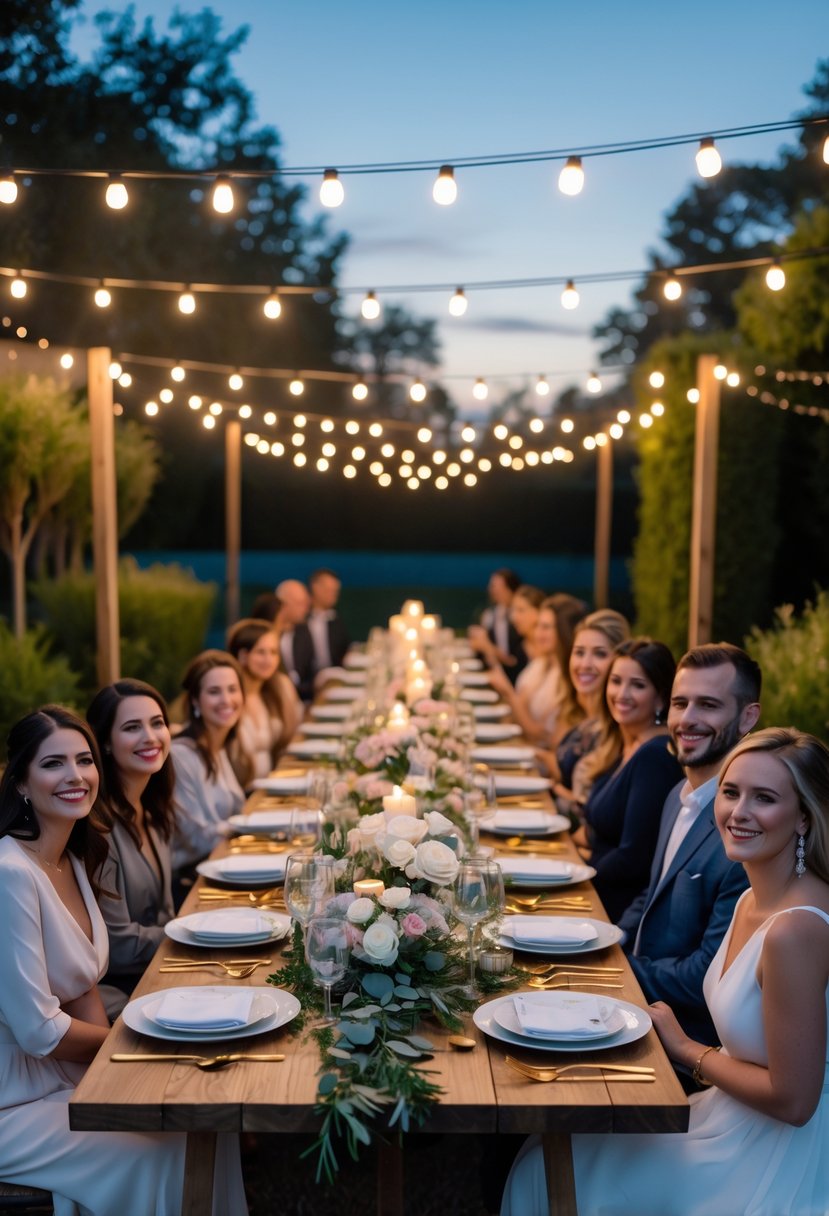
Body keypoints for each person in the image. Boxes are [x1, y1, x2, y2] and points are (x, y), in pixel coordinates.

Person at [501, 727, 829, 1216]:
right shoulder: (748, 899)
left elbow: (794, 1101)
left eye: (764, 799)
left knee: (550, 1168)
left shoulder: (794, 931)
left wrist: (686, 1050)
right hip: (729, 1112)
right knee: (546, 1149)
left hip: (774, 1152)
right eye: (731, 792)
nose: (738, 812)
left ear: (803, 817)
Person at [0, 706, 248, 1214]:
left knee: (204, 1118)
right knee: (158, 1152)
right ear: (22, 783)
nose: (75, 776)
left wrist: (116, 1080)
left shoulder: (72, 857)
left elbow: (85, 982)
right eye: (53, 764)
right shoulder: (10, 873)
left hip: (66, 1077)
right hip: (14, 1099)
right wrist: (137, 1046)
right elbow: (38, 1033)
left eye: (84, 760)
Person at [618, 643, 761, 1046]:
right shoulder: (678, 794)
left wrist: (617, 969)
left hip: (685, 1039)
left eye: (709, 705)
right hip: (635, 1005)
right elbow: (654, 889)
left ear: (748, 716)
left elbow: (707, 974)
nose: (688, 719)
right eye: (681, 703)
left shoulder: (744, 831)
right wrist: (608, 937)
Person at [86, 679, 176, 1019]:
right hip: (126, 993)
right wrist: (192, 932)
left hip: (162, 971)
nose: (150, 737)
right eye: (132, 727)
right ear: (105, 743)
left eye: (157, 723)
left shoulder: (153, 811)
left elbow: (165, 913)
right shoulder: (99, 829)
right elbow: (117, 945)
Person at [577, 637, 682, 921]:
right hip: (594, 890)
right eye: (616, 681)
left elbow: (634, 858)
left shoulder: (655, 756)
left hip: (611, 909)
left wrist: (578, 871)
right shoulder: (624, 744)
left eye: (637, 685)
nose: (622, 693)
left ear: (660, 697)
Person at [535, 608, 631, 814]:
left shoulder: (622, 726)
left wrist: (562, 793)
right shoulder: (585, 717)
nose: (585, 664)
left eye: (600, 653)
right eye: (579, 652)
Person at [171, 650, 246, 877]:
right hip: (191, 878)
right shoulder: (180, 755)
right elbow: (195, 838)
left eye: (232, 689)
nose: (226, 700)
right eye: (214, 692)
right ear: (195, 701)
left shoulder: (218, 744)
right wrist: (247, 828)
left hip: (222, 862)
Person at [487, 593, 585, 745]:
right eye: (538, 625)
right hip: (521, 747)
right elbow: (518, 710)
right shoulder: (540, 664)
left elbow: (542, 736)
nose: (538, 632)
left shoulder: (568, 678)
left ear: (563, 630)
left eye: (546, 627)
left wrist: (508, 693)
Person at [227, 617, 303, 782]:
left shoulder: (277, 687)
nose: (269, 660)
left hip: (274, 786)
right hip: (240, 793)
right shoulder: (228, 698)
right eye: (261, 652)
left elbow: (295, 734)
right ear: (242, 655)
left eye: (274, 652)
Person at [469, 568, 526, 683]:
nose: (492, 590)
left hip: (514, 679)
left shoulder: (520, 622)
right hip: (496, 675)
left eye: (496, 586)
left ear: (511, 590)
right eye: (491, 586)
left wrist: (487, 645)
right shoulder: (491, 614)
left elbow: (514, 662)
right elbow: (488, 656)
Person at [275, 578, 315, 701]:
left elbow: (308, 672)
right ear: (283, 605)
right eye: (300, 603)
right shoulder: (266, 637)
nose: (306, 608)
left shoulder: (303, 631)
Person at [307, 567, 351, 670]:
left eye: (335, 591)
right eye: (329, 590)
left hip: (334, 674)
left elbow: (346, 647)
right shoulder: (302, 619)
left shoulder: (335, 618)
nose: (334, 595)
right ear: (315, 588)